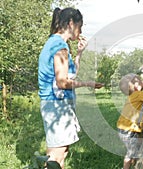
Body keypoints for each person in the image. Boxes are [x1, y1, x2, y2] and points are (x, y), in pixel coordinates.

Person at [38, 7, 104, 169]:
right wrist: (88, 84)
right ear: (70, 23)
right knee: (55, 158)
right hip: (56, 107)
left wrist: (79, 53)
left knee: (62, 152)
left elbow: (70, 75)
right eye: (80, 26)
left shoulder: (59, 45)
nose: (81, 31)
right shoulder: (59, 46)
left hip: (59, 105)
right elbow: (62, 82)